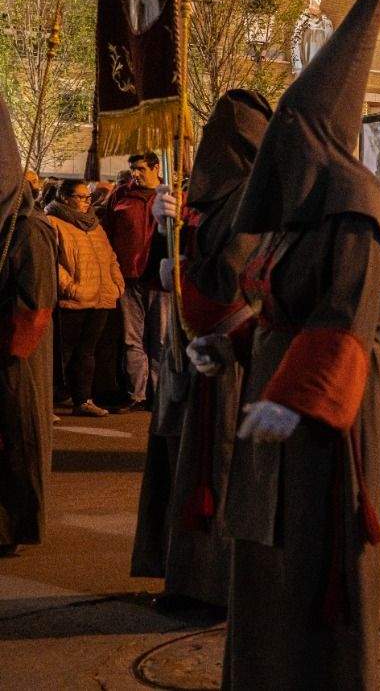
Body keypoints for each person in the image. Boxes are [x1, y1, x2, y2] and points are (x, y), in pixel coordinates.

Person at [199, 0, 380, 687]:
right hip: (276, 407)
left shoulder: (355, 208)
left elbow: (338, 334)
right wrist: (231, 341)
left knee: (310, 559)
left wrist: (266, 423)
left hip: (320, 428)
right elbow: (277, 300)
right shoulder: (304, 208)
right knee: (265, 564)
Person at [132, 89, 271, 612]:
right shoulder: (211, 200)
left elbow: (230, 276)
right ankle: (184, 576)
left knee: (218, 470)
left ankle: (214, 587)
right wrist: (167, 228)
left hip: (227, 359)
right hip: (192, 353)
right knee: (185, 465)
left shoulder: (253, 200)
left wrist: (181, 270)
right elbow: (183, 261)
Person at [0, 91, 57, 557]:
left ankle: (11, 527)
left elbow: (34, 305)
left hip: (12, 361)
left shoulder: (29, 228)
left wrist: (7, 348)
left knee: (14, 443)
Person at [45, 179, 124, 418]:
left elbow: (109, 256)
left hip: (101, 297)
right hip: (75, 298)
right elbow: (52, 261)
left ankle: (83, 399)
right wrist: (71, 287)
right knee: (63, 353)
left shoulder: (95, 225)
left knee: (87, 352)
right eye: (80, 197)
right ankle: (50, 401)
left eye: (87, 197)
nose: (85, 202)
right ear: (65, 197)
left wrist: (116, 284)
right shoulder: (54, 222)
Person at [101, 151, 168, 412]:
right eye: (132, 169)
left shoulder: (167, 195)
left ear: (155, 167)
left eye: (140, 168)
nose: (135, 174)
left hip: (158, 279)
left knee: (160, 339)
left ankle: (160, 394)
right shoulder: (120, 195)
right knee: (132, 338)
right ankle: (137, 393)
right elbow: (107, 231)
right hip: (129, 276)